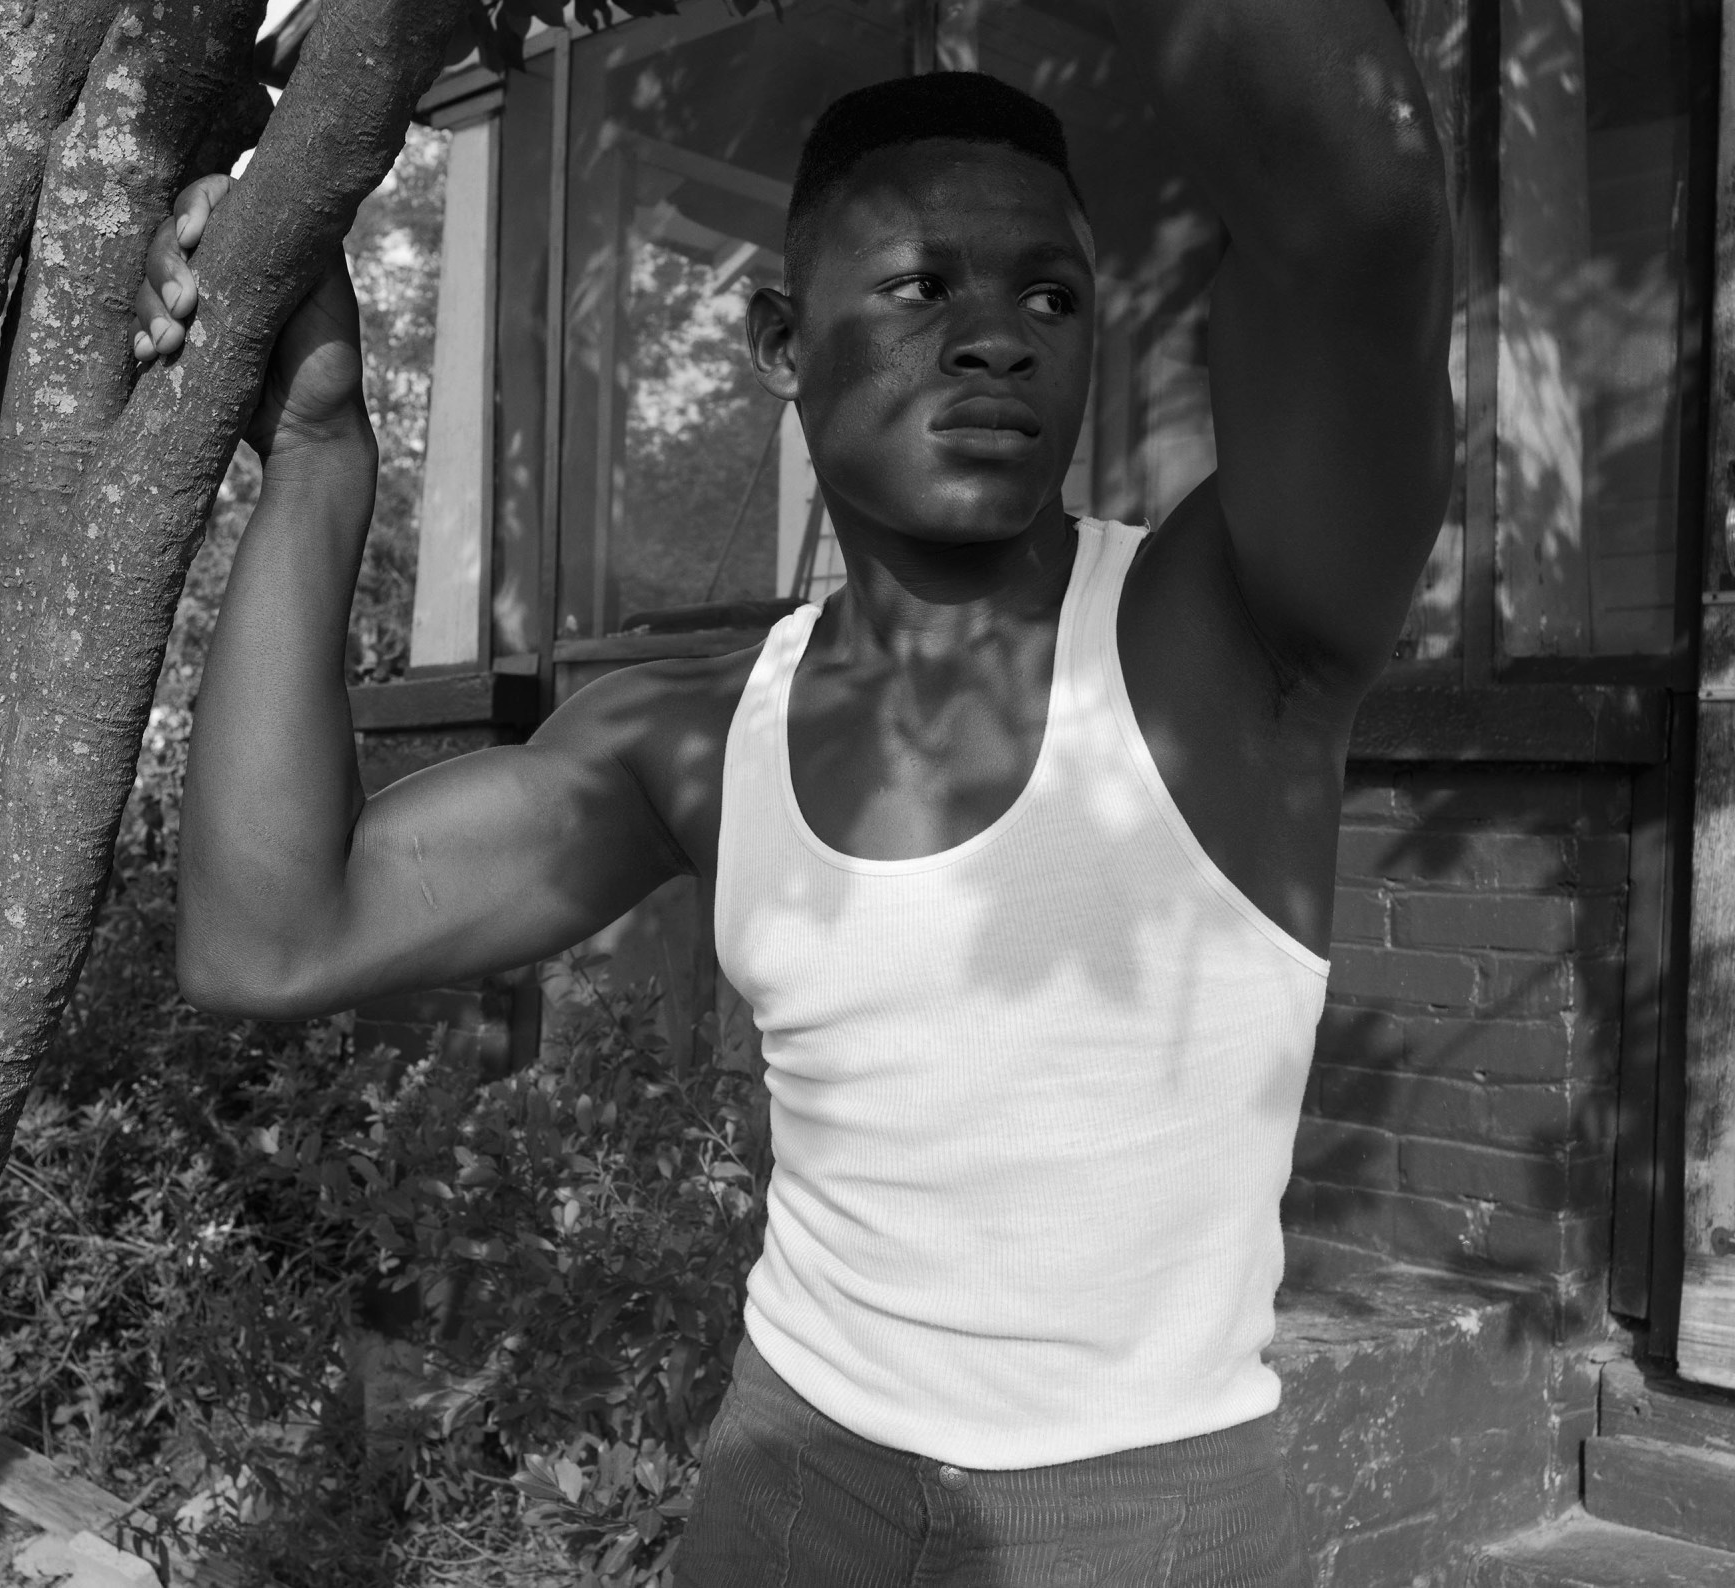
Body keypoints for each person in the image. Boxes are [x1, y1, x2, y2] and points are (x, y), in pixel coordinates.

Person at [136, 0, 1451, 1579]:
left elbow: (1359, 224)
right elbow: (267, 936)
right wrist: (319, 450)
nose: (997, 335)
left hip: (1150, 1528)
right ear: (777, 342)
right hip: (789, 1493)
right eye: (919, 288)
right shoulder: (699, 732)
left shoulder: (1225, 642)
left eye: (1054, 294)